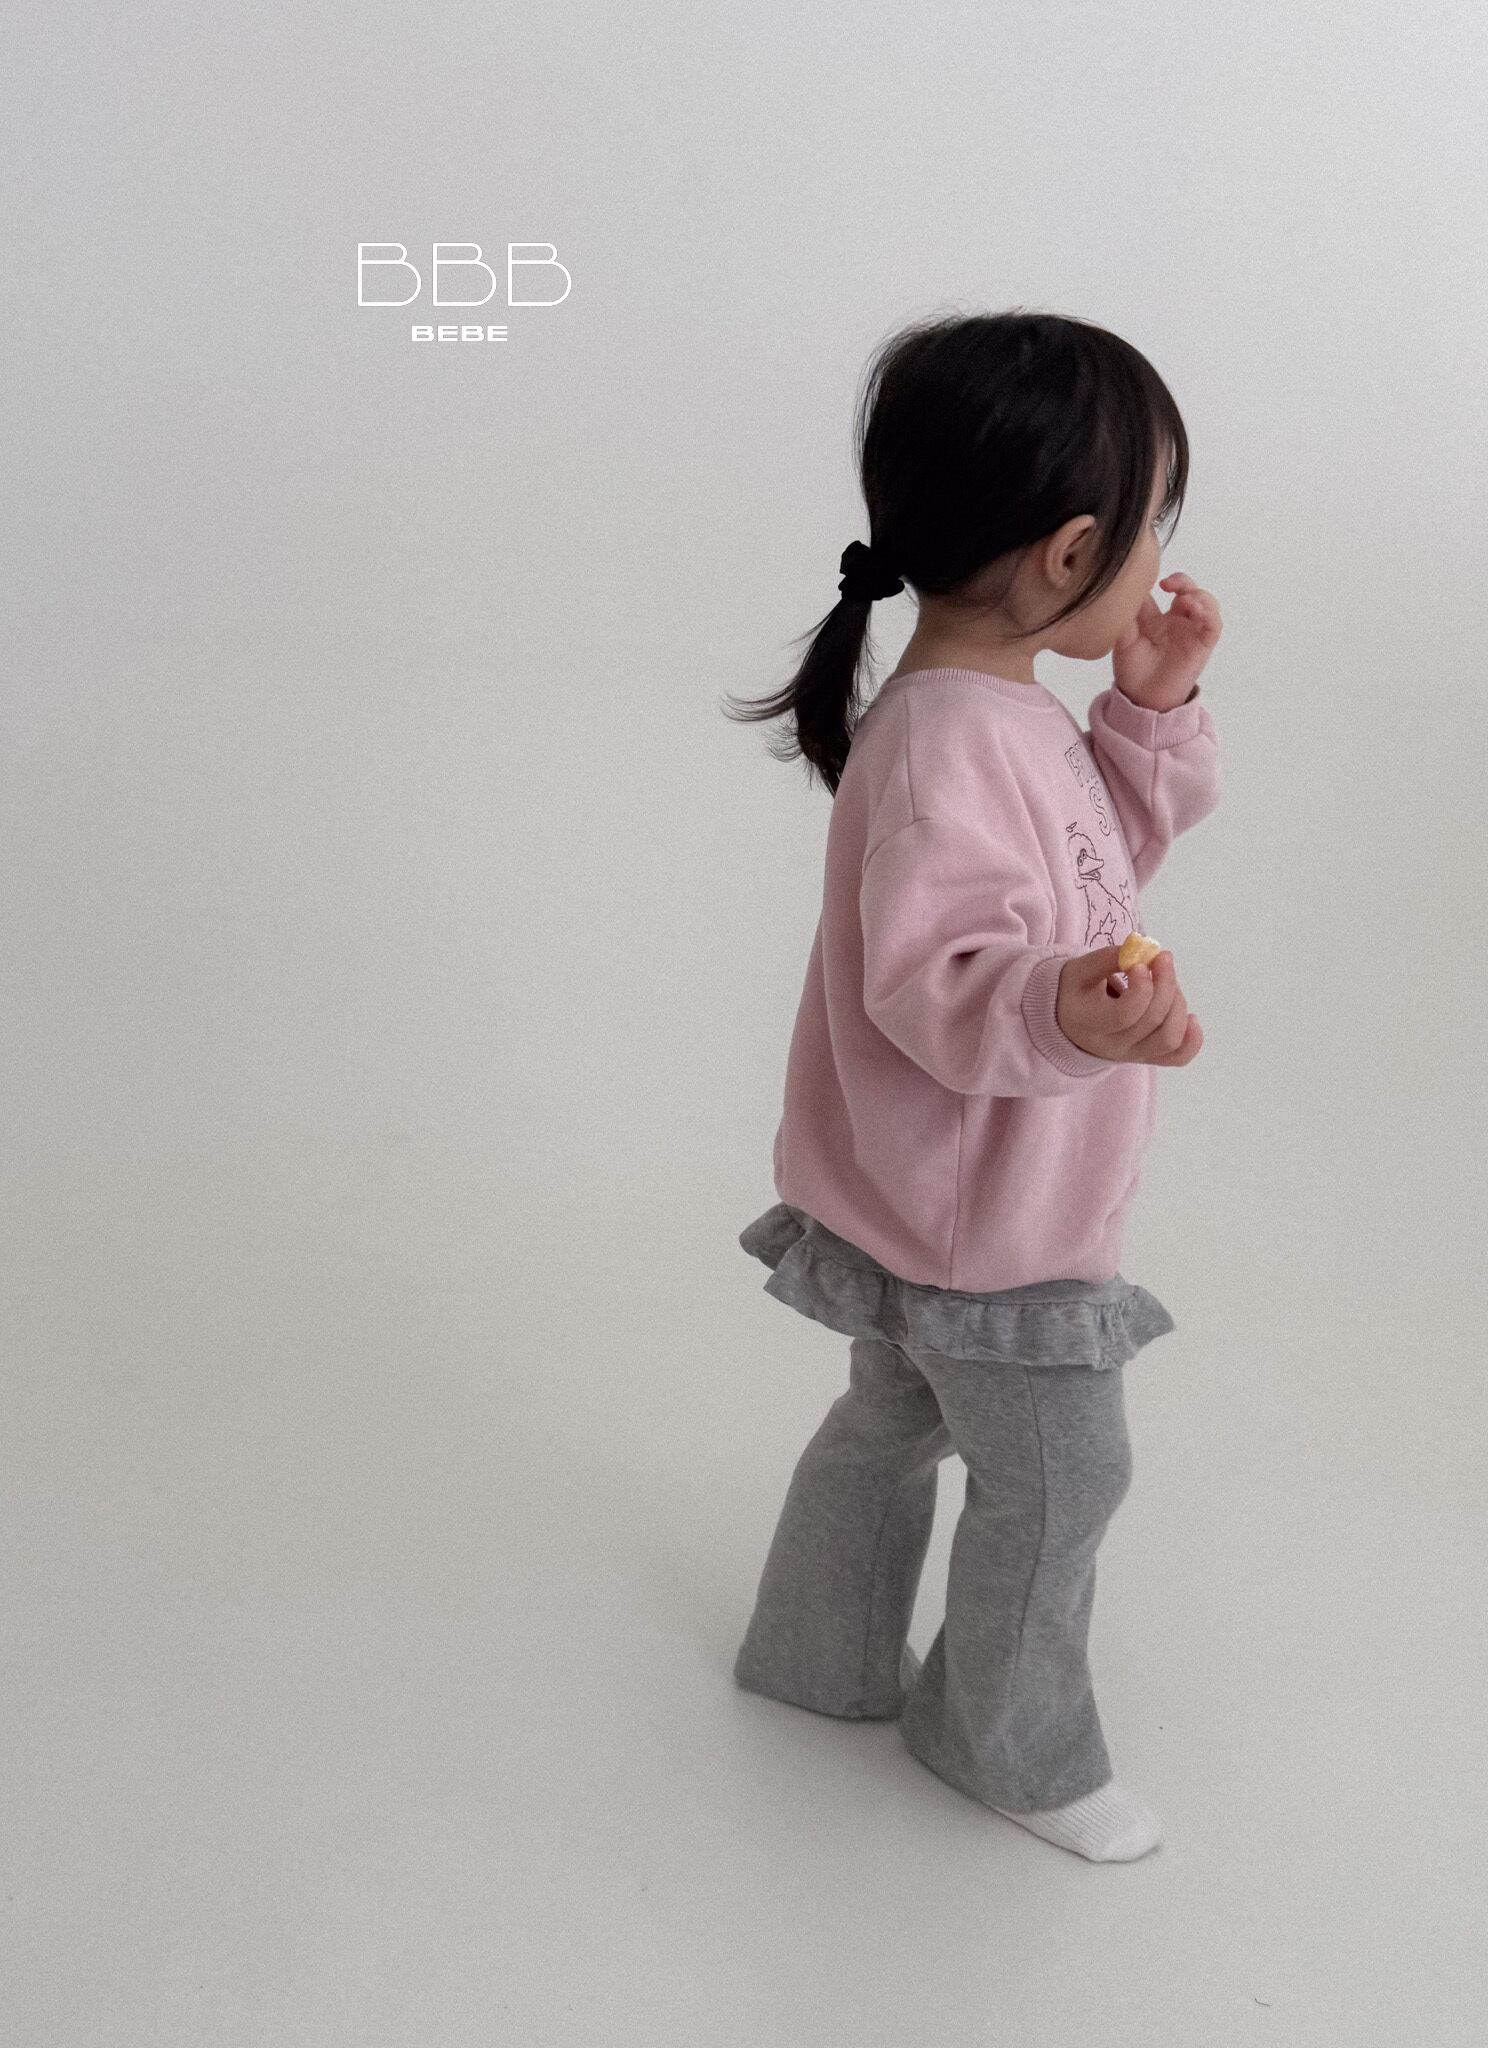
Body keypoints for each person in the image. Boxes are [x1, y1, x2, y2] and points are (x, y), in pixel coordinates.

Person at [719, 309, 1223, 1863]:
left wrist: (1147, 709)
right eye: (1151, 527)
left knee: (892, 1421)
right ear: (1069, 554)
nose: (1158, 559)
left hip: (935, 1198)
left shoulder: (997, 716)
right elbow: (940, 985)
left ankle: (818, 1656)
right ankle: (1005, 1743)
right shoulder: (948, 749)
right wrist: (1065, 1006)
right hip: (985, 1226)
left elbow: (1093, 865)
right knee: (1067, 1477)